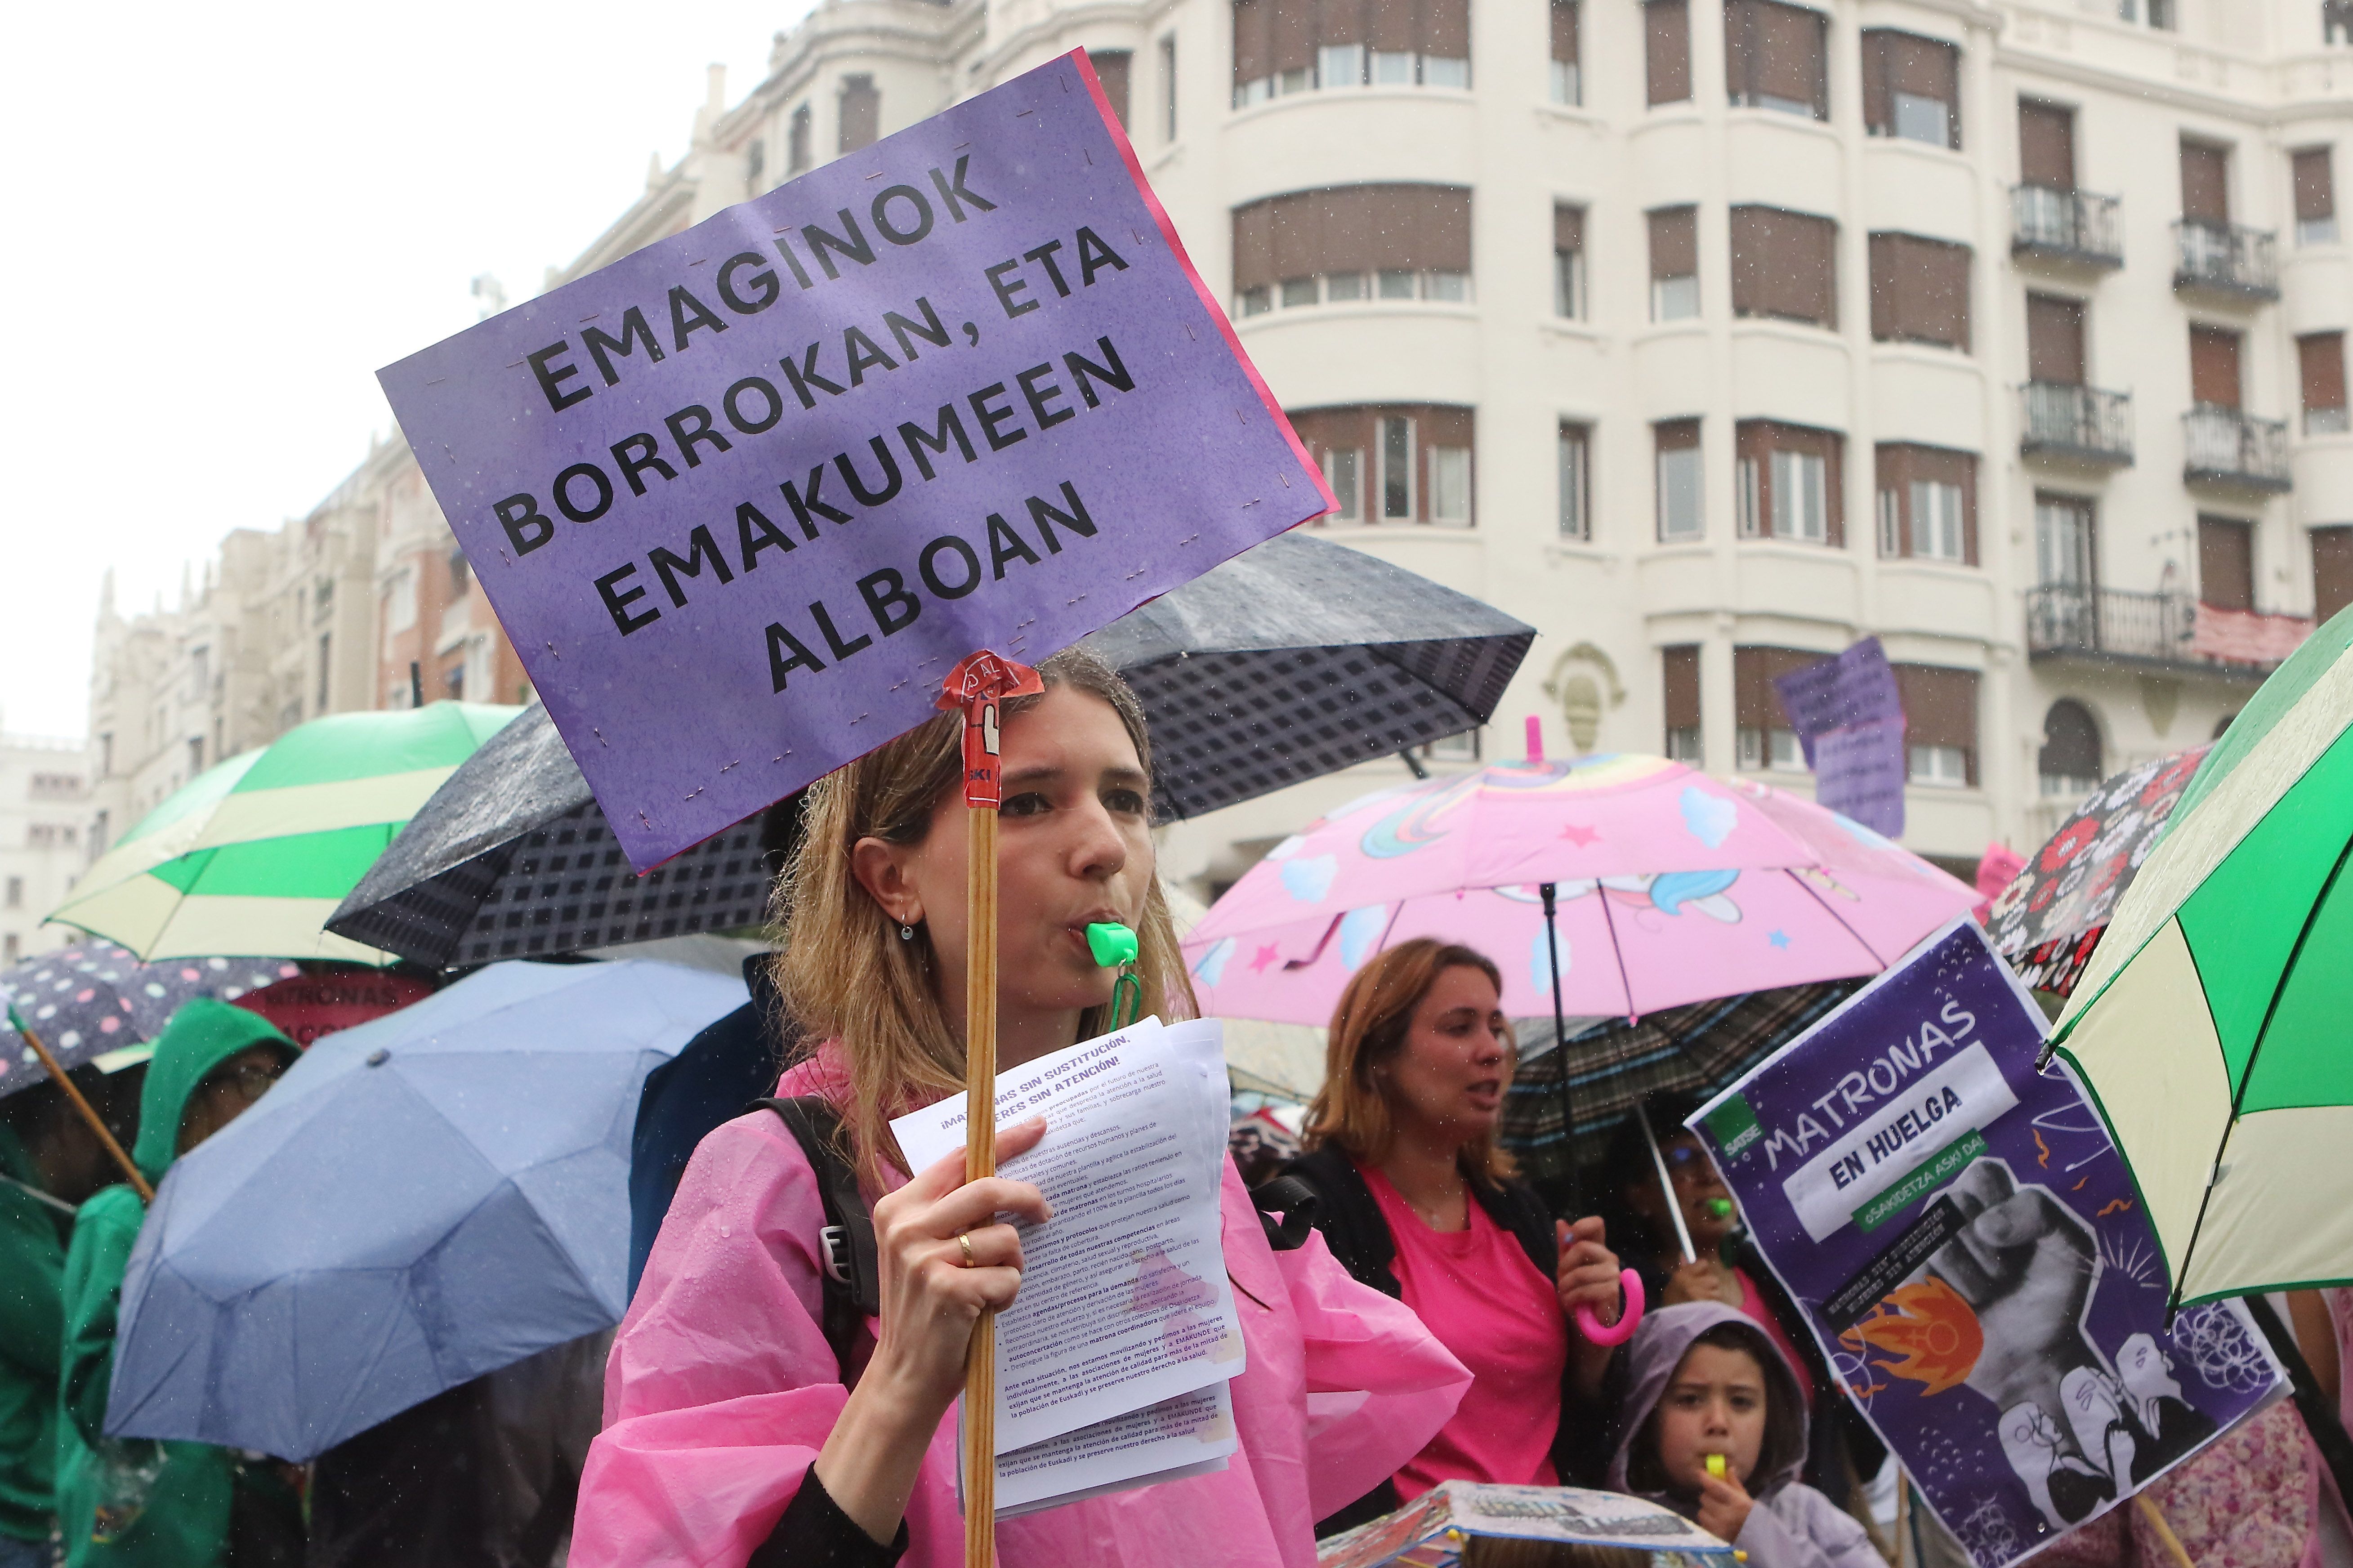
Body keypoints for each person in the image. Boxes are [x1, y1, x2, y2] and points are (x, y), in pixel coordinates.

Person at [575, 648, 1472, 1568]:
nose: (1104, 848)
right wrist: (905, 1380)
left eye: (1124, 799)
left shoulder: (1173, 1146)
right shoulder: (776, 1177)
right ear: (894, 880)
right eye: (1027, 801)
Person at [1276, 940, 1625, 1528]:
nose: (1492, 1050)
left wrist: (1595, 1344)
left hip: (1547, 1542)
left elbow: (1584, 1421)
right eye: (1460, 1027)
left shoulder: (1521, 1210)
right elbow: (1303, 1425)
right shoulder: (1319, 1210)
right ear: (1377, 1056)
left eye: (1496, 1026)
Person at [54, 1000, 302, 1568]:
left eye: (277, 1078)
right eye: (250, 1079)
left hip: (250, 1530)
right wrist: (182, 1279)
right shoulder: (118, 1224)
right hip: (150, 1543)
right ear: (190, 1097)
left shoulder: (258, 1228)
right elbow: (98, 1406)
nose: (270, 1097)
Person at [1596, 1093, 1885, 1520]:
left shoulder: (1771, 1276)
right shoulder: (1625, 1293)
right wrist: (1663, 1317)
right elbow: (1617, 1421)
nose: (1709, 1174)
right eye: (1681, 1157)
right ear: (1639, 1195)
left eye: (1717, 1154)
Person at [1607, 1302, 1879, 1568]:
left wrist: (1759, 1539)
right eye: (1690, 1400)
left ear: (1771, 1419)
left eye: (1741, 1402)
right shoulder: (1614, 1531)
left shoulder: (1808, 1516)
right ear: (1647, 1414)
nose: (1718, 1423)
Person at [1, 1069, 118, 1568]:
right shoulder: (8, 1216)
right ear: (73, 1121)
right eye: (101, 1126)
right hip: (16, 1513)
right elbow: (67, 1337)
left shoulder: (26, 1208)